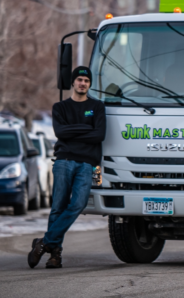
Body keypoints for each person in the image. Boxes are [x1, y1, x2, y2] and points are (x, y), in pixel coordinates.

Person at [28, 66, 106, 269]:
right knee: (58, 208)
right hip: (64, 161)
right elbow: (61, 132)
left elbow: (99, 135)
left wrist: (73, 131)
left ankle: (43, 243)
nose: (83, 83)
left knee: (78, 204)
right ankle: (55, 256)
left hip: (87, 164)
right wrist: (85, 128)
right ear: (73, 82)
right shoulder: (60, 107)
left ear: (90, 84)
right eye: (79, 80)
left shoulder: (97, 107)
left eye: (86, 81)